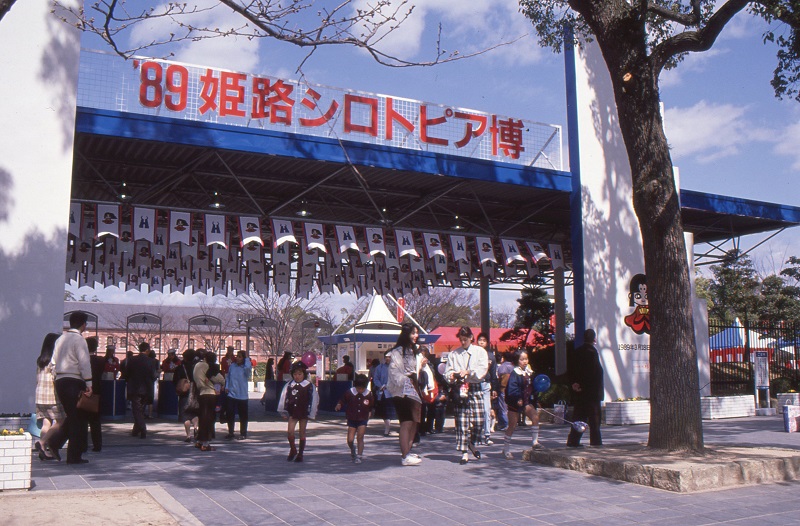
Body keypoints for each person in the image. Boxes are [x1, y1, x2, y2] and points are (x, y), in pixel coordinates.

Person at [48, 311, 93, 465]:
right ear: (83, 324)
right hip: (74, 381)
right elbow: (84, 363)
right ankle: (73, 455)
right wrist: (89, 383)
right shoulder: (79, 340)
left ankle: (55, 443)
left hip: (61, 381)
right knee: (78, 419)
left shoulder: (60, 339)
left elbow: (52, 362)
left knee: (73, 416)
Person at [444, 326, 488, 465]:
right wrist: (451, 375)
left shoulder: (480, 351)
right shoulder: (453, 354)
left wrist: (469, 372)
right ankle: (464, 452)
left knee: (479, 420)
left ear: (471, 338)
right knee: (462, 422)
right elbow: (447, 372)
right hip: (460, 388)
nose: (463, 342)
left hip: (474, 387)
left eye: (465, 339)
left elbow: (483, 369)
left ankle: (472, 442)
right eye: (461, 340)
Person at [387, 322, 425, 466]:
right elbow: (394, 372)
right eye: (413, 333)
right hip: (402, 390)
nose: (416, 336)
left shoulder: (415, 351)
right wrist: (406, 380)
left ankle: (408, 450)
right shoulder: (397, 351)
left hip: (414, 388)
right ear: (406, 334)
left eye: (416, 333)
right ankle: (404, 455)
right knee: (406, 421)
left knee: (415, 421)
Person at [502, 348, 544, 459]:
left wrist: (535, 398)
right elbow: (512, 389)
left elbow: (532, 387)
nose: (525, 361)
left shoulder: (529, 372)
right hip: (514, 403)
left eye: (526, 359)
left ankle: (535, 442)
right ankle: (506, 449)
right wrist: (517, 398)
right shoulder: (515, 374)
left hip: (526, 402)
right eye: (522, 359)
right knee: (512, 425)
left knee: (535, 417)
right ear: (517, 361)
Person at [567, 328, 604, 448]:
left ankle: (573, 440)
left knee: (579, 417)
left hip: (580, 392)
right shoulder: (592, 352)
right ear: (594, 339)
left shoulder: (577, 352)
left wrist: (575, 384)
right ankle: (596, 441)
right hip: (591, 392)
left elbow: (572, 370)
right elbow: (591, 372)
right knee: (594, 419)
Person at [277, 362, 319, 462]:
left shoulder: (309, 386)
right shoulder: (289, 385)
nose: (297, 376)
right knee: (290, 431)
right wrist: (282, 410)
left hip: (303, 412)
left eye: (300, 374)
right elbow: (283, 397)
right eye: (295, 374)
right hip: (293, 412)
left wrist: (312, 413)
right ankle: (293, 449)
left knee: (302, 432)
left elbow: (314, 399)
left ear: (304, 374)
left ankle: (300, 453)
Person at [34, 333, 63, 461]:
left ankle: (44, 452)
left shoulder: (40, 360)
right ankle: (42, 442)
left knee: (46, 422)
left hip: (40, 396)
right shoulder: (54, 360)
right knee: (61, 421)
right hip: (52, 396)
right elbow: (57, 378)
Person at [334, 373, 374, 464]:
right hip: (352, 418)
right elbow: (342, 400)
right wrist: (339, 404)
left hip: (363, 418)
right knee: (350, 439)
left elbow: (371, 405)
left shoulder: (369, 394)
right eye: (358, 388)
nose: (360, 390)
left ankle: (359, 455)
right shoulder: (350, 392)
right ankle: (352, 449)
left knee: (360, 436)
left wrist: (370, 412)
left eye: (362, 388)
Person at [123, 342, 157, 439]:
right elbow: (153, 376)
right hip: (146, 389)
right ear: (147, 350)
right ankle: (138, 429)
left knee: (137, 410)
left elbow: (126, 373)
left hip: (134, 388)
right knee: (140, 409)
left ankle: (141, 429)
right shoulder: (151, 361)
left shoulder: (132, 360)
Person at [193, 350, 225, 451]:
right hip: (210, 393)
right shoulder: (209, 367)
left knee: (202, 418)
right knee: (208, 419)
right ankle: (205, 443)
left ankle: (199, 441)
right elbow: (220, 379)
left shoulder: (197, 366)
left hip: (201, 393)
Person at [225, 350, 252, 440]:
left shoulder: (246, 368)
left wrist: (247, 359)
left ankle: (243, 433)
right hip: (231, 394)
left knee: (243, 415)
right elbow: (228, 377)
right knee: (229, 413)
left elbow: (248, 370)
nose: (237, 358)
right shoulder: (232, 366)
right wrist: (227, 386)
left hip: (242, 395)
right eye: (237, 356)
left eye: (240, 356)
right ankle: (230, 432)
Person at [476, 332, 497, 445]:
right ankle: (477, 435)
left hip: (486, 384)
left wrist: (495, 388)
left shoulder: (491, 356)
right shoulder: (473, 354)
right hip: (475, 384)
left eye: (484, 340)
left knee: (486, 410)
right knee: (477, 411)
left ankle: (487, 435)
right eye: (480, 340)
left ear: (487, 342)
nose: (482, 342)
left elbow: (493, 373)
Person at [173, 349, 199, 442]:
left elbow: (175, 380)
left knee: (185, 415)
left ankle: (188, 435)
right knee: (194, 412)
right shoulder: (197, 367)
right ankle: (196, 428)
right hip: (195, 391)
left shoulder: (180, 367)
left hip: (184, 392)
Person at [86, 336, 104, 452]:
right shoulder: (100, 360)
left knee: (82, 419)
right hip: (98, 392)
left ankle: (82, 444)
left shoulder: (82, 360)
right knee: (95, 421)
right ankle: (97, 444)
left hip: (85, 392)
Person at [372, 351, 395, 436]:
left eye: (390, 357)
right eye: (386, 357)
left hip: (393, 392)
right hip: (383, 392)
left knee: (392, 411)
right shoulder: (380, 367)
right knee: (384, 411)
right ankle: (387, 427)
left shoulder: (396, 367)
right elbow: (376, 379)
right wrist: (381, 386)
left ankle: (388, 428)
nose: (388, 358)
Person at [494, 351, 513, 433]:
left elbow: (499, 379)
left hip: (503, 388)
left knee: (503, 407)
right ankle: (510, 423)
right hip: (512, 389)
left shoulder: (502, 367)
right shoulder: (513, 367)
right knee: (510, 407)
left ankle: (505, 424)